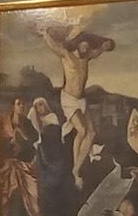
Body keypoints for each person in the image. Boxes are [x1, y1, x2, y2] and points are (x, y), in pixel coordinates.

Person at [39, 24, 115, 181]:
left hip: (81, 99)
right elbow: (54, 46)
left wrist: (106, 45)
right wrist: (46, 34)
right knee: (81, 131)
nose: (85, 48)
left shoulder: (86, 57)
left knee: (91, 133)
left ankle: (77, 166)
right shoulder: (67, 55)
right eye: (83, 45)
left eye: (87, 46)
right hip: (69, 99)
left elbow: (100, 49)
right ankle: (76, 170)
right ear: (77, 44)